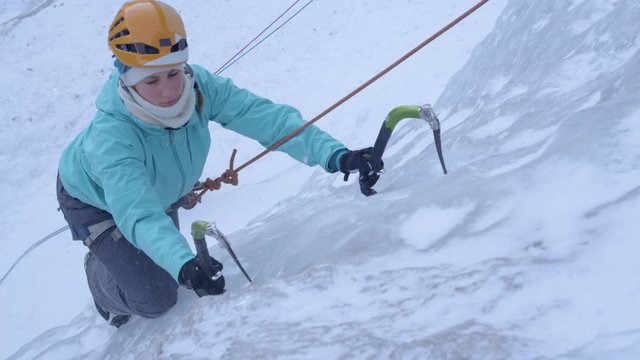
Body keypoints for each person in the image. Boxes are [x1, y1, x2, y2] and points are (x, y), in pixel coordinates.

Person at [56, 0, 379, 328]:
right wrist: (184, 265)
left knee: (161, 254)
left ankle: (124, 258)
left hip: (155, 190)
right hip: (93, 201)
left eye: (172, 73)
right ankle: (100, 277)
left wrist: (335, 155)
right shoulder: (112, 137)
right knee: (157, 296)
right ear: (126, 77)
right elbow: (138, 214)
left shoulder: (198, 87)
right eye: (152, 81)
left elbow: (264, 118)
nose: (168, 90)